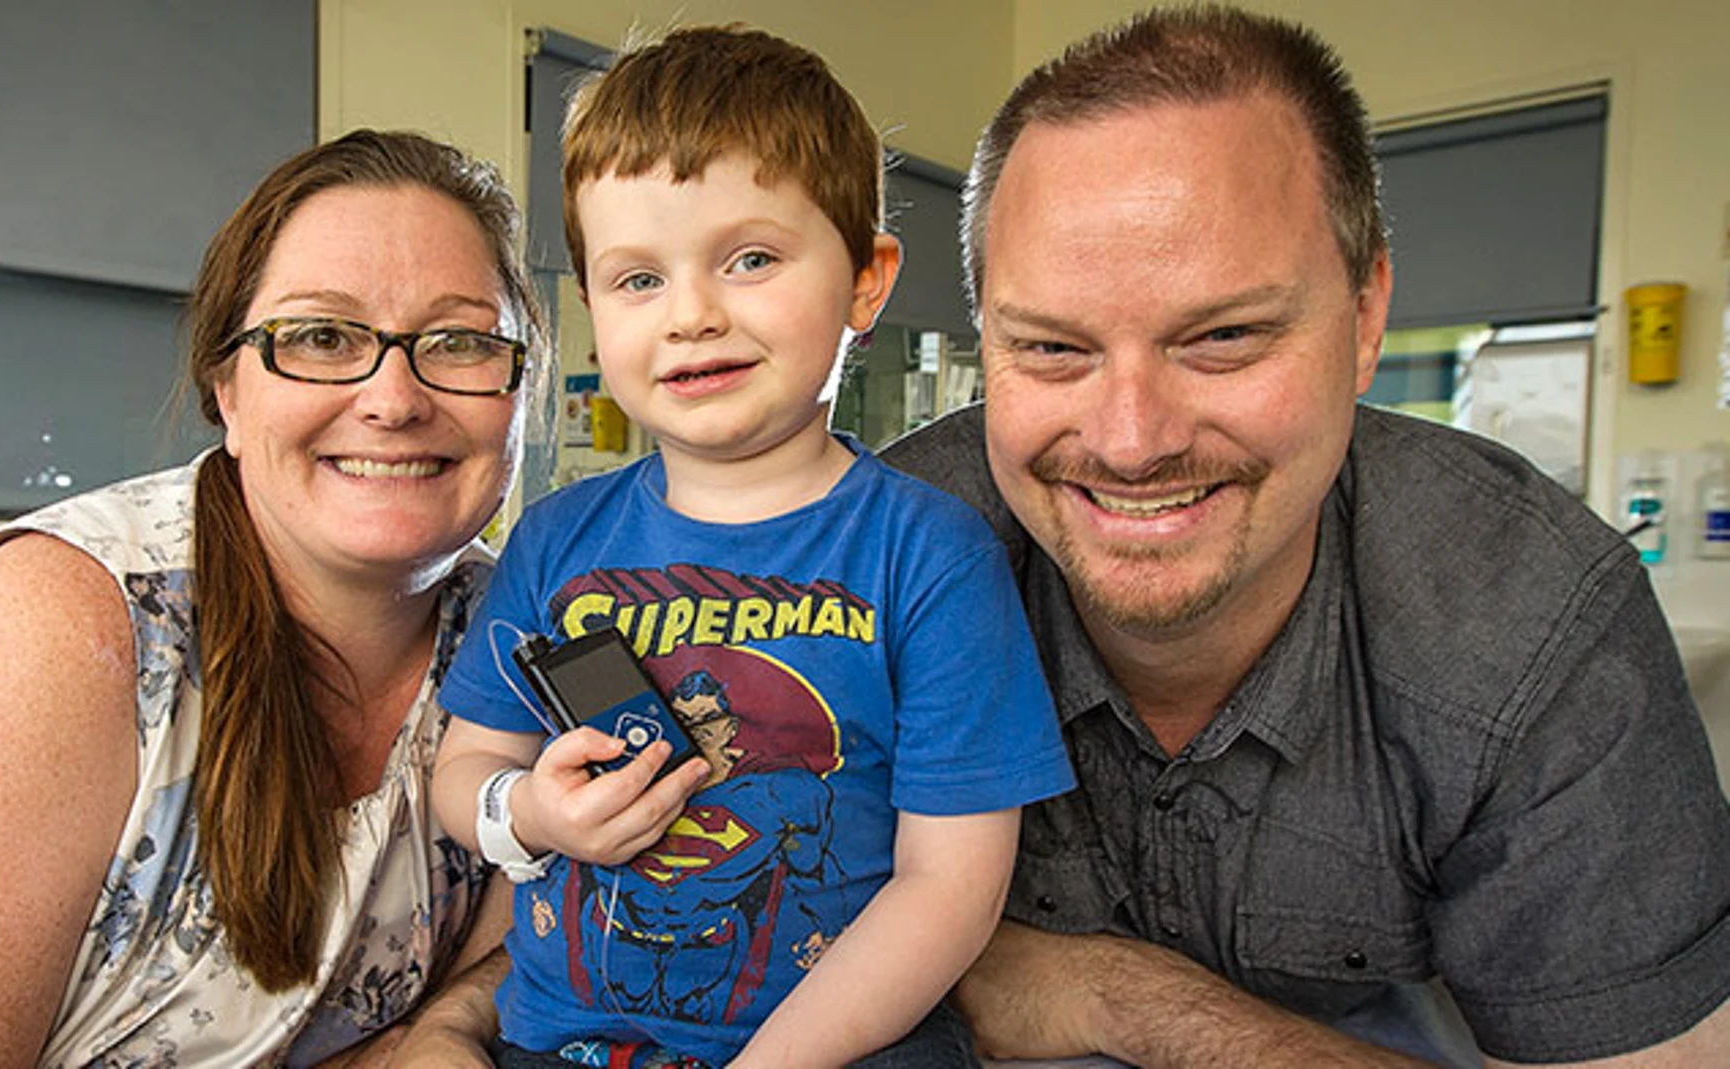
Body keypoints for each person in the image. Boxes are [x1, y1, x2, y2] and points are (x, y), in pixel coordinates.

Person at [880, 6, 1730, 1067]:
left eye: (1223, 336)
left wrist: (1127, 1001)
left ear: (1366, 316)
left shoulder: (1537, 627)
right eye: (1051, 347)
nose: (1131, 440)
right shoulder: (877, 560)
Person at [430, 25, 1074, 1069]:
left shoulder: (931, 555)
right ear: (591, 308)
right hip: (565, 1042)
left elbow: (950, 886)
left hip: (847, 1047)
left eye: (751, 259)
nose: (691, 314)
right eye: (638, 279)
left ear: (866, 282)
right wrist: (532, 812)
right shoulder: (552, 540)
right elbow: (464, 769)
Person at [0, 129, 543, 1066]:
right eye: (322, 337)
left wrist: (449, 1024)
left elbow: (534, 935)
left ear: (521, 389)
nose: (394, 397)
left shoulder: (519, 632)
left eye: (457, 341)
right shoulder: (43, 642)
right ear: (228, 392)